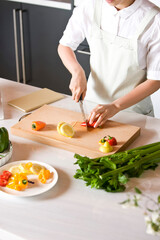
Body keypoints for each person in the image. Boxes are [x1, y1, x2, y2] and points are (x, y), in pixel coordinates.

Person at [58, 0, 160, 128]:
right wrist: (77, 72)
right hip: (91, 107)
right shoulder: (90, 6)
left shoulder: (155, 20)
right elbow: (65, 45)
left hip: (134, 114)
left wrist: (116, 106)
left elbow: (155, 80)